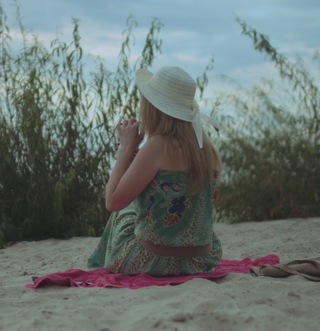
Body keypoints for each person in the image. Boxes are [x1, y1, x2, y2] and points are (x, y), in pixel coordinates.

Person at [87, 66, 223, 276]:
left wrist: (125, 149)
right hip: (201, 259)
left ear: (153, 107)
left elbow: (112, 201)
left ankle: (100, 264)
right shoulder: (206, 147)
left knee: (124, 210)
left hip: (152, 261)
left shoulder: (157, 145)